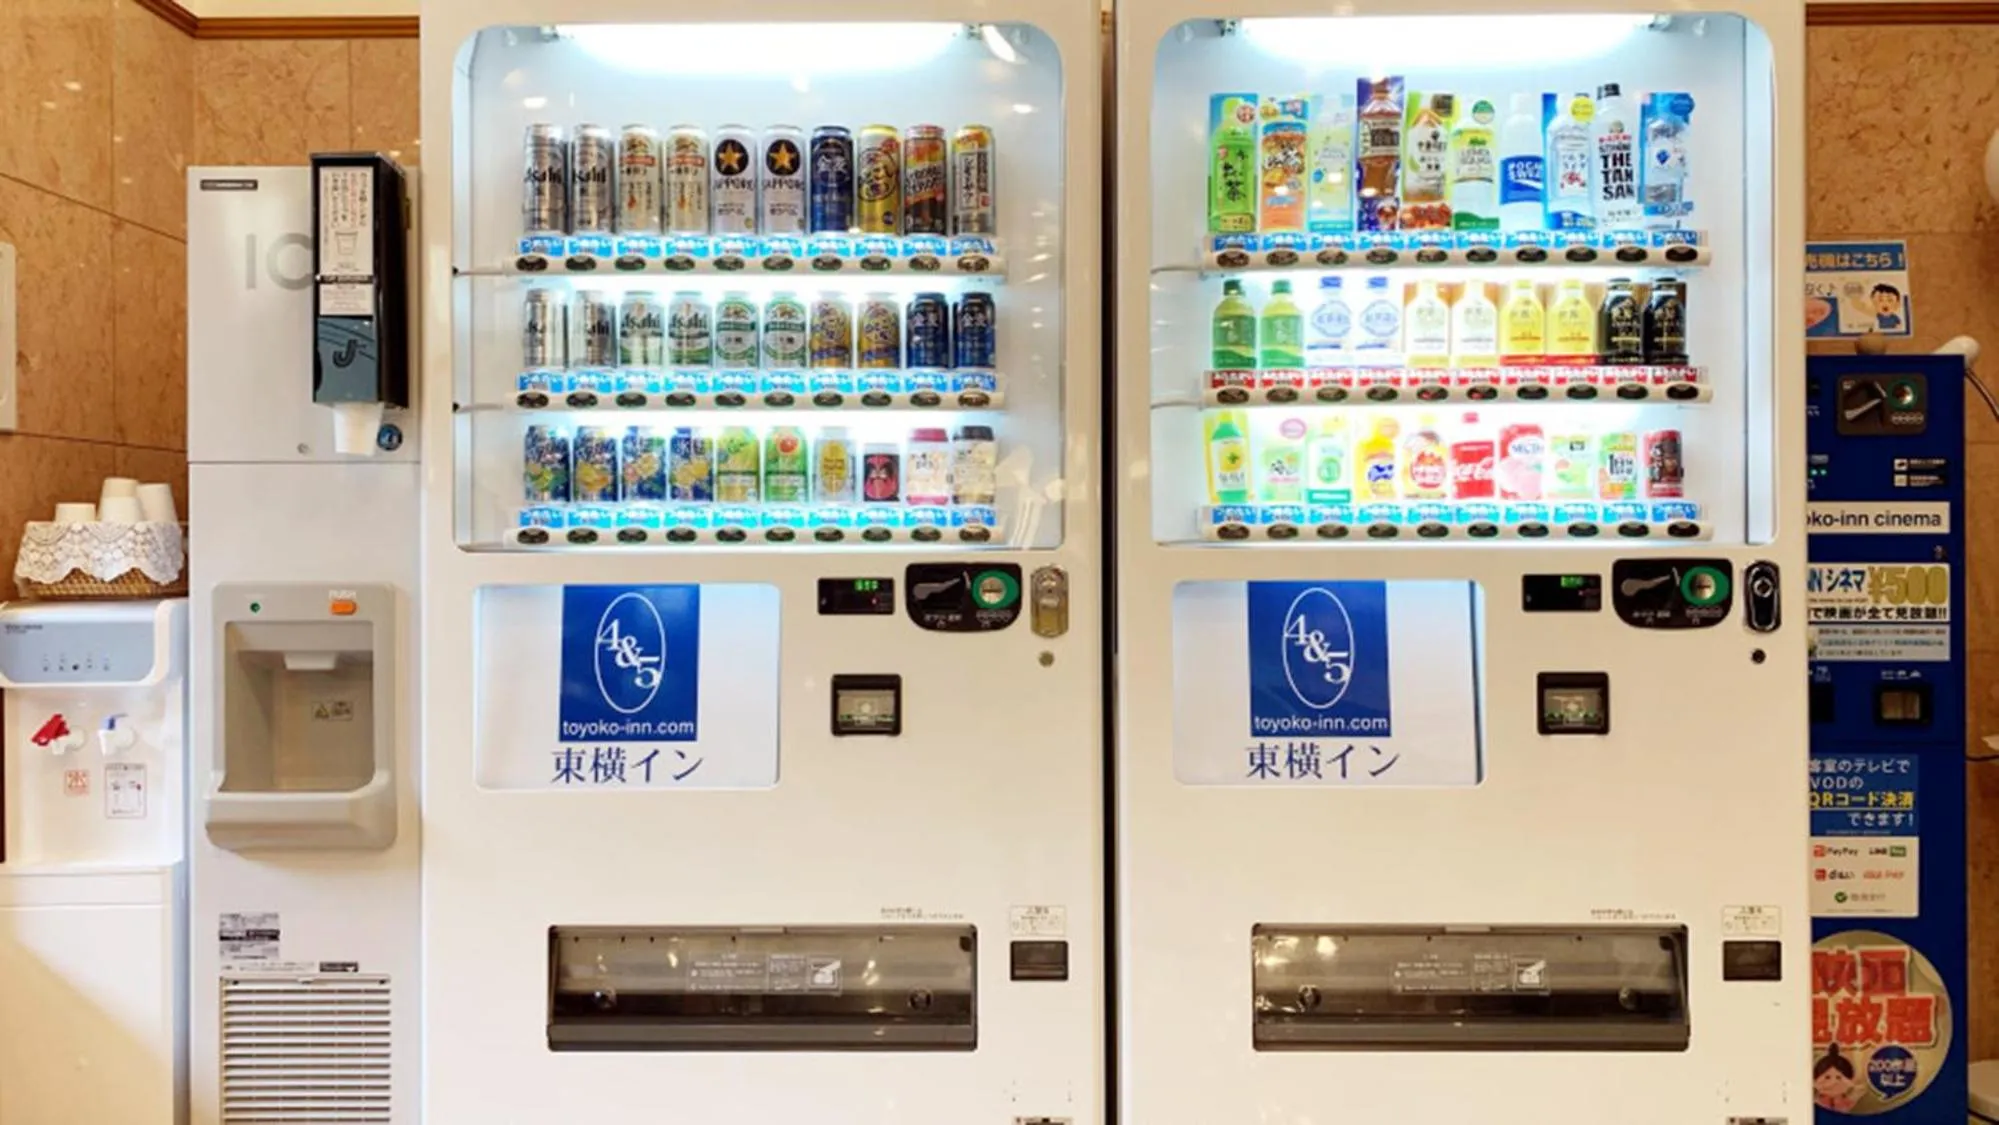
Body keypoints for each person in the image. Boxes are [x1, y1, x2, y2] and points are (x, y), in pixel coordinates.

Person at [1815, 1043, 1862, 1111]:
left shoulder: (1846, 1101)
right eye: (1827, 1077)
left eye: (1839, 1078)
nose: (1833, 1082)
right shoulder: (1817, 1101)